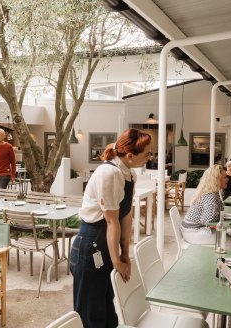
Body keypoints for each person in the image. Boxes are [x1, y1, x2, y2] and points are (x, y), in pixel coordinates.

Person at [70, 128, 151, 328]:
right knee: (91, 315)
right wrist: (117, 261)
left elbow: (126, 217)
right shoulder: (109, 173)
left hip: (108, 243)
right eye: (147, 154)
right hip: (91, 247)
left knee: (107, 313)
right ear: (130, 156)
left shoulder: (129, 174)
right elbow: (111, 221)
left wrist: (126, 254)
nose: (150, 157)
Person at [180, 164, 226, 244]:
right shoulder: (211, 196)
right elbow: (208, 221)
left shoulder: (211, 193)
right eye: (225, 177)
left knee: (229, 236)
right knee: (230, 242)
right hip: (194, 232)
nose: (227, 179)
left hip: (190, 230)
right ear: (217, 180)